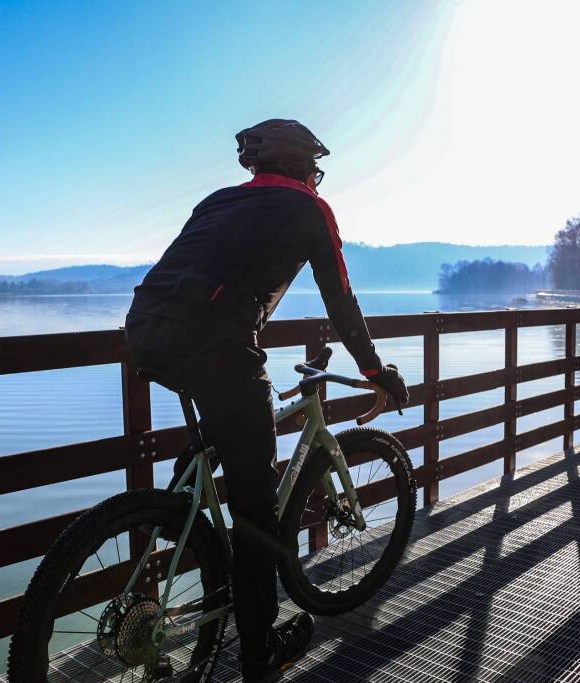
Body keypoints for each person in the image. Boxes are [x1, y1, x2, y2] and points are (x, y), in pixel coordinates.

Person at [124, 119, 410, 682]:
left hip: (145, 332)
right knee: (257, 513)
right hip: (220, 347)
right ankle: (260, 652)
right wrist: (376, 370)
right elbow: (342, 303)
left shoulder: (217, 201)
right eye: (315, 171)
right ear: (306, 168)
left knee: (225, 430)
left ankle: (182, 518)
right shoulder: (310, 208)